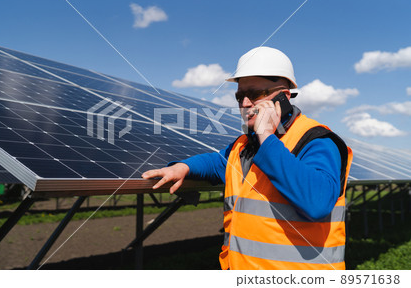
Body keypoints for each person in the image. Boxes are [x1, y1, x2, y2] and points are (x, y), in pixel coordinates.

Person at [142, 47, 353, 270]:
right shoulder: (244, 145)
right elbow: (218, 163)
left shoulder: (317, 141)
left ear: (284, 96)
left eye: (254, 95)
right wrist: (183, 167)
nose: (244, 104)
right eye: (239, 96)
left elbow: (317, 203)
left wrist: (267, 136)